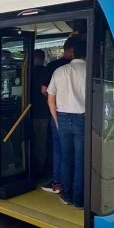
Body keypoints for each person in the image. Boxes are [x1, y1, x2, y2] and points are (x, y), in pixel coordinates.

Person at [47, 38, 86, 208]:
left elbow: (50, 99)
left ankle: (67, 196)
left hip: (62, 117)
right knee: (80, 160)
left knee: (66, 158)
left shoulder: (59, 71)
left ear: (71, 52)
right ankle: (79, 200)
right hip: (82, 119)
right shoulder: (90, 71)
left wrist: (56, 119)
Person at [40, 38, 74, 193]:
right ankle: (74, 183)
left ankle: (57, 182)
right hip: (81, 116)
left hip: (59, 113)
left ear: (65, 49)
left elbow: (44, 90)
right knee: (76, 151)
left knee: (59, 149)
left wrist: (55, 104)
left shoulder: (54, 66)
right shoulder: (87, 66)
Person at [30, 49, 49, 178]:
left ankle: (31, 166)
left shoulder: (27, 71)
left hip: (27, 112)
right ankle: (40, 167)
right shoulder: (47, 72)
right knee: (41, 141)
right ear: (43, 58)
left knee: (30, 140)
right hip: (44, 112)